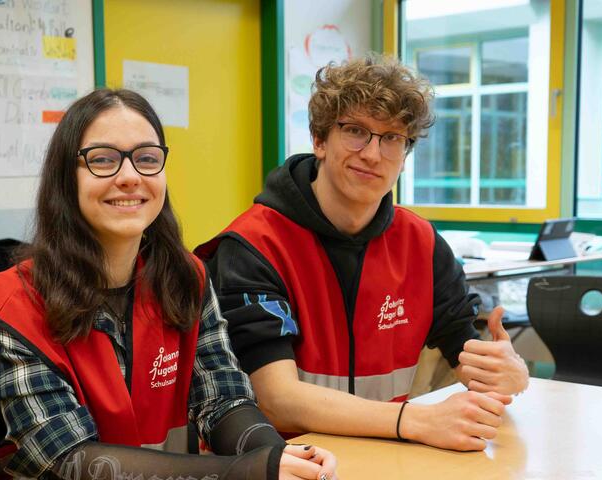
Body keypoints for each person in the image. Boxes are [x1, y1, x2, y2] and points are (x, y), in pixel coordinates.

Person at [0, 89, 339, 480]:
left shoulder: (186, 278)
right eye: (103, 160)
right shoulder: (12, 307)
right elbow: (67, 461)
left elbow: (223, 399)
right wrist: (248, 472)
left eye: (147, 158)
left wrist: (279, 458)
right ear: (66, 178)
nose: (130, 177)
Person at [196, 55, 529, 452]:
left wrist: (509, 372)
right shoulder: (253, 246)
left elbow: (468, 360)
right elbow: (277, 400)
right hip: (285, 464)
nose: (373, 154)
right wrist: (415, 420)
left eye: (392, 138)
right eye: (356, 131)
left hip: (385, 457)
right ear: (319, 140)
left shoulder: (420, 243)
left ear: (405, 155)